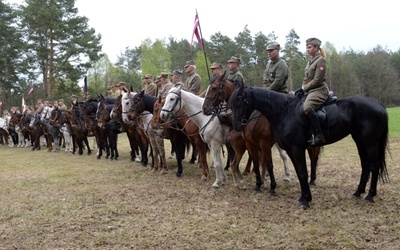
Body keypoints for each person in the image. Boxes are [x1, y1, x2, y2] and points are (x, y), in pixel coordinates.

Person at [296, 37, 329, 145]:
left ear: (316, 48)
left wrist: (304, 88)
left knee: (307, 108)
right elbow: (306, 79)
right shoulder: (310, 62)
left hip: (319, 90)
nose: (307, 49)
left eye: (309, 47)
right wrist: (301, 88)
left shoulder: (321, 61)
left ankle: (319, 135)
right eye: (306, 47)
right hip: (309, 90)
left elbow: (317, 81)